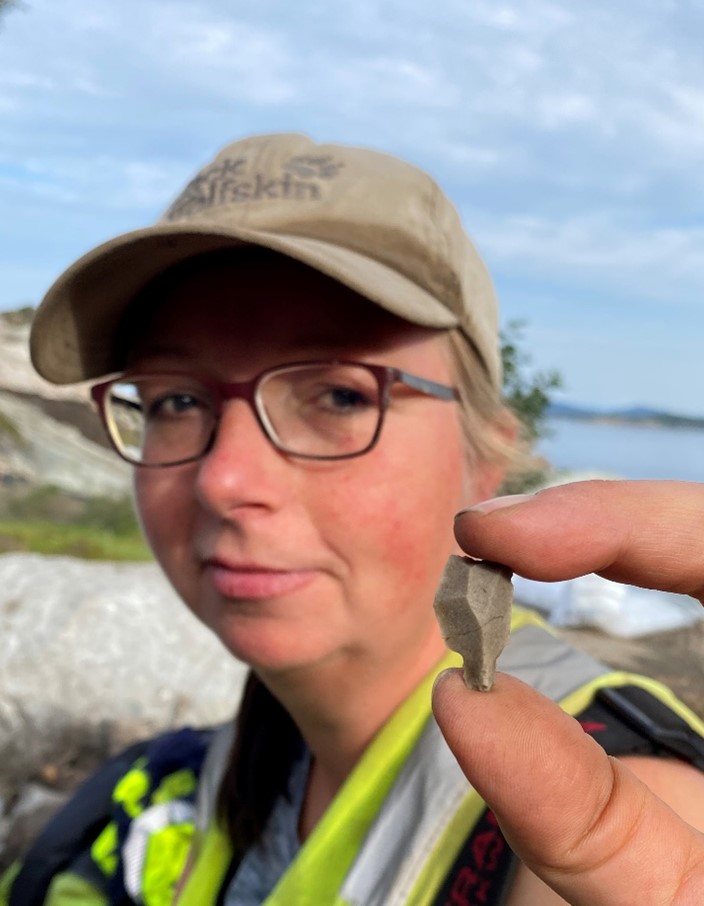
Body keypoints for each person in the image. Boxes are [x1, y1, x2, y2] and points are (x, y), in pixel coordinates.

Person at [2, 133, 703, 906]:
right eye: (174, 399)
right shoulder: (243, 751)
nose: (224, 480)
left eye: (339, 395)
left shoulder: (599, 802)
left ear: (487, 461)